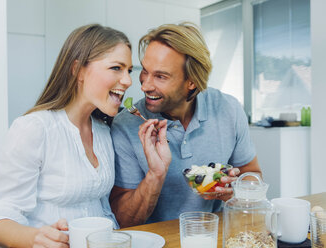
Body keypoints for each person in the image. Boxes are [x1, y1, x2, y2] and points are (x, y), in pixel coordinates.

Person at [0, 24, 133, 248]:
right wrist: (35, 238)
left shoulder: (103, 132)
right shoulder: (34, 128)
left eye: (129, 70)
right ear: (78, 69)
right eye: (116, 68)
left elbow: (102, 209)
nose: (128, 81)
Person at [109, 22, 262, 228]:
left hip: (212, 235)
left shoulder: (229, 109)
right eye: (144, 71)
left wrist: (234, 191)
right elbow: (123, 220)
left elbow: (252, 174)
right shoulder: (125, 125)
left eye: (161, 76)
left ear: (192, 82)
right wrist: (155, 176)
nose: (145, 85)